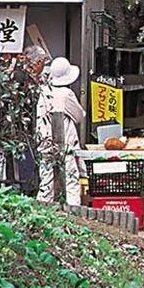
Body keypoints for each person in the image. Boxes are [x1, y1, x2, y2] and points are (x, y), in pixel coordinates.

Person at [34, 56, 85, 205]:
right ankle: (74, 210)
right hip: (66, 142)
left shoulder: (43, 93)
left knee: (46, 179)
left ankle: (42, 209)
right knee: (71, 177)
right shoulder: (66, 94)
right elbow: (79, 116)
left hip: (45, 141)